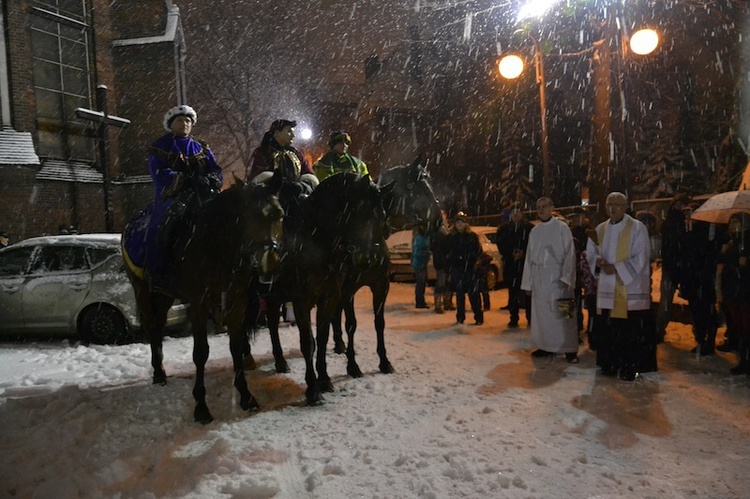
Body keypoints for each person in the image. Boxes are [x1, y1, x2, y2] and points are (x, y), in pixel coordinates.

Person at [145, 104, 223, 281]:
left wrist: (211, 179)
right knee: (168, 222)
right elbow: (159, 174)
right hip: (174, 196)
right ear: (171, 124)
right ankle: (161, 271)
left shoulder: (202, 147)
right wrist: (186, 180)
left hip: (204, 194)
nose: (185, 123)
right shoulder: (160, 146)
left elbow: (215, 169)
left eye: (188, 120)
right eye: (180, 120)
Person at [585, 192, 655, 380]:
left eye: (616, 204)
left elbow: (641, 257)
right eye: (609, 204)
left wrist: (616, 269)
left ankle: (628, 366)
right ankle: (609, 363)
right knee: (608, 330)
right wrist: (598, 263)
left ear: (625, 207)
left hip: (628, 288)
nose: (612, 208)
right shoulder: (600, 229)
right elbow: (590, 254)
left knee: (627, 331)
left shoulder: (636, 228)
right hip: (607, 289)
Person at [521, 197, 578, 362]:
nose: (541, 210)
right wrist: (528, 282)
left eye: (545, 206)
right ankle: (546, 346)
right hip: (540, 278)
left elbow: (570, 253)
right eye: (538, 207)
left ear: (552, 207)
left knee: (564, 314)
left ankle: (569, 348)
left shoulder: (562, 227)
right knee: (543, 316)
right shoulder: (535, 231)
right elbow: (529, 258)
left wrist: (567, 277)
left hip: (558, 276)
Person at [679, 201, 720, 356]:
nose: (688, 216)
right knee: (696, 310)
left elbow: (708, 251)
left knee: (706, 309)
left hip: (703, 277)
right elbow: (683, 253)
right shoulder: (686, 230)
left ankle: (709, 340)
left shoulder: (707, 229)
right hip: (692, 278)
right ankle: (701, 339)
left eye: (690, 212)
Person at [656, 193, 691, 342]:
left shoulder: (685, 222)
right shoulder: (674, 222)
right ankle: (658, 330)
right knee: (666, 301)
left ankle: (659, 330)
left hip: (680, 266)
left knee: (668, 300)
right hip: (675, 265)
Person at [719, 213, 750, 374]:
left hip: (744, 291)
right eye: (731, 222)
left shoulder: (746, 241)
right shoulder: (732, 242)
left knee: (746, 328)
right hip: (733, 291)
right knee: (739, 326)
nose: (732, 225)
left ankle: (745, 361)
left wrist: (745, 264)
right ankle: (743, 360)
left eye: (736, 222)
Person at [247, 119, 317, 188]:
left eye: (293, 132)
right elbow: (257, 177)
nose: (293, 135)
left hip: (296, 195)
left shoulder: (297, 154)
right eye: (289, 131)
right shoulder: (263, 152)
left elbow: (309, 174)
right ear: (277, 133)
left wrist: (301, 187)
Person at [497, 208, 533, 328]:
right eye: (513, 213)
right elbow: (501, 245)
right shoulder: (504, 229)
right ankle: (513, 317)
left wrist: (523, 253)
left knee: (528, 293)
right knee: (513, 293)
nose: (516, 215)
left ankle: (531, 317)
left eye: (518, 212)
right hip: (511, 265)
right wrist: (511, 253)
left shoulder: (529, 228)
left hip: (525, 265)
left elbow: (533, 245)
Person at [447, 212, 484, 325]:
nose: (460, 225)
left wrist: (472, 260)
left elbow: (478, 251)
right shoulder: (451, 237)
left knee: (474, 294)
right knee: (459, 294)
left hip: (470, 269)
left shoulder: (472, 236)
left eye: (461, 222)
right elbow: (448, 253)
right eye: (457, 222)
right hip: (457, 269)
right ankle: (460, 317)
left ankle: (478, 316)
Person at [568, 207, 590, 335]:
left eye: (577, 217)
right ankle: (571, 326)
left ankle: (584, 326)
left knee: (588, 301)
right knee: (570, 300)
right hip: (572, 272)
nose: (575, 220)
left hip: (586, 272)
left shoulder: (589, 232)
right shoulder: (569, 232)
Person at [431, 211, 455, 314]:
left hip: (447, 262)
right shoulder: (438, 234)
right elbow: (438, 249)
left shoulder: (446, 232)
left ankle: (446, 303)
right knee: (441, 283)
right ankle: (439, 305)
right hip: (442, 263)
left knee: (448, 283)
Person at [411, 225, 431, 309]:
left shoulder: (420, 237)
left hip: (420, 263)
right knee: (420, 283)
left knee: (421, 283)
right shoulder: (420, 238)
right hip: (420, 263)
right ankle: (420, 302)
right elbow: (417, 252)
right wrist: (427, 252)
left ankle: (420, 301)